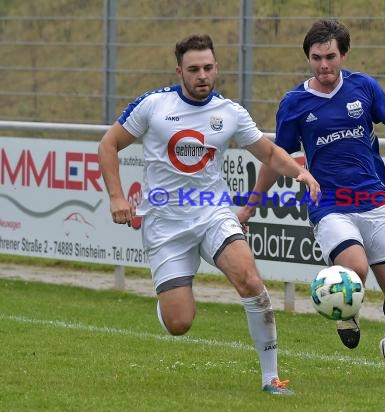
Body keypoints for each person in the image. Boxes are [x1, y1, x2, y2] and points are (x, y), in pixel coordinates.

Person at [98, 34, 320, 396]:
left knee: (250, 279)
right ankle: (169, 300)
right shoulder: (153, 105)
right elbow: (108, 144)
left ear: (216, 68)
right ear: (179, 71)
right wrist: (117, 197)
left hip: (213, 214)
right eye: (194, 69)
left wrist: (300, 172)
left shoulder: (229, 113)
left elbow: (268, 152)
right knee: (179, 323)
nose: (202, 75)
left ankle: (271, 378)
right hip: (165, 224)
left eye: (208, 67)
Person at [237, 19, 385, 383]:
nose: (323, 66)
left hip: (374, 202)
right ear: (308, 58)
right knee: (354, 268)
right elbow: (277, 158)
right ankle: (345, 311)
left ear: (343, 54)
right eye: (316, 58)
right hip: (329, 205)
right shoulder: (295, 103)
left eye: (330, 57)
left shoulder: (364, 88)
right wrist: (250, 205)